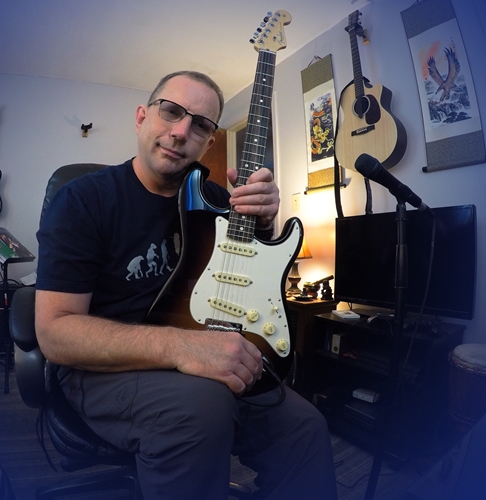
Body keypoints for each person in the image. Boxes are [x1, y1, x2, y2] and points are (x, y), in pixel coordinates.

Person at [35, 70, 337, 500]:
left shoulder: (218, 200)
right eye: (171, 111)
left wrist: (264, 223)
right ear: (142, 117)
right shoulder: (83, 200)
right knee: (202, 407)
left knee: (306, 428)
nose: (181, 131)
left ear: (209, 143)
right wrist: (184, 347)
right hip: (105, 367)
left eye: (199, 125)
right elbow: (55, 333)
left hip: (207, 360)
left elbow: (250, 279)